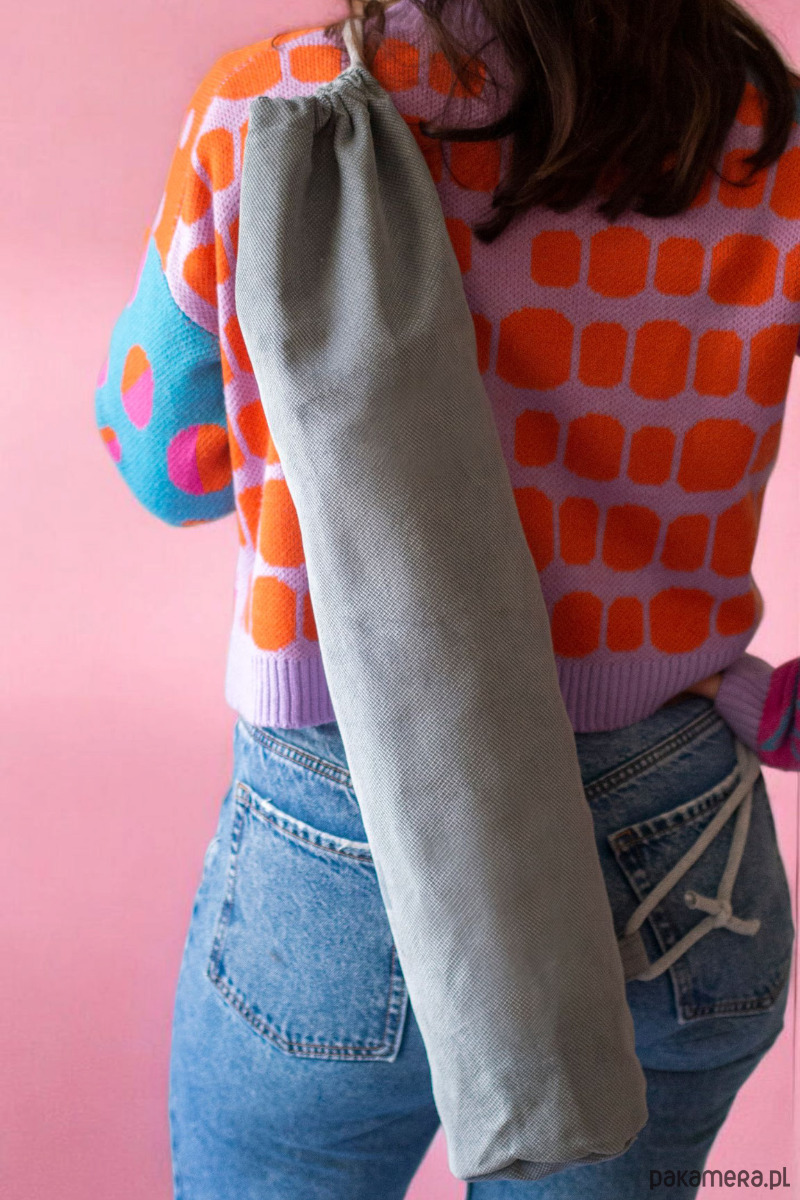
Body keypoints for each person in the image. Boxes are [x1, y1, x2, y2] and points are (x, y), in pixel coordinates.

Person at [94, 1, 800, 1195]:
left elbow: (166, 463)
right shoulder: (758, 132)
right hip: (680, 834)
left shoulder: (275, 106)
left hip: (352, 818)